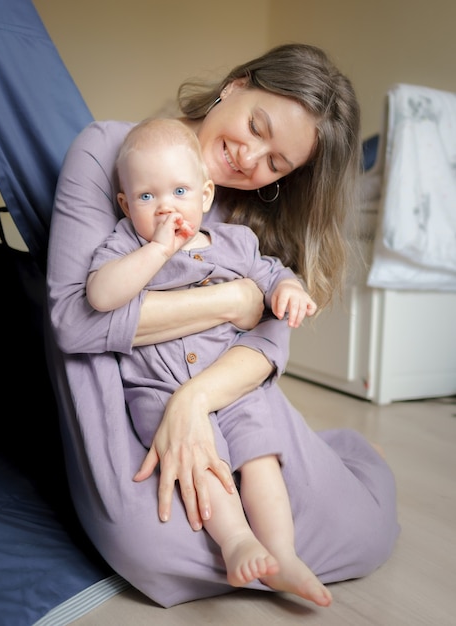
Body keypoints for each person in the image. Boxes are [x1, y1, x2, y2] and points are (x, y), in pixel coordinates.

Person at [46, 43, 400, 608]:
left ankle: (320, 491)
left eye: (275, 163)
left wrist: (196, 399)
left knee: (361, 530)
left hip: (229, 395)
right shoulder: (117, 155)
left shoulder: (243, 219)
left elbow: (269, 335)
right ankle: (248, 534)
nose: (248, 158)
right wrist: (233, 300)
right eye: (256, 125)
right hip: (143, 394)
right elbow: (76, 321)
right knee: (156, 549)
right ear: (236, 85)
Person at [86, 117, 331, 606]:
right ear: (124, 205)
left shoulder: (235, 242)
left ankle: (281, 552)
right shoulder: (127, 243)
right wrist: (156, 249)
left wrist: (290, 290)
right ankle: (237, 539)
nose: (165, 207)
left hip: (230, 383)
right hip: (158, 385)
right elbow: (99, 294)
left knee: (260, 453)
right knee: (206, 462)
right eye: (147, 197)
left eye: (179, 190)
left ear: (204, 195)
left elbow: (272, 274)